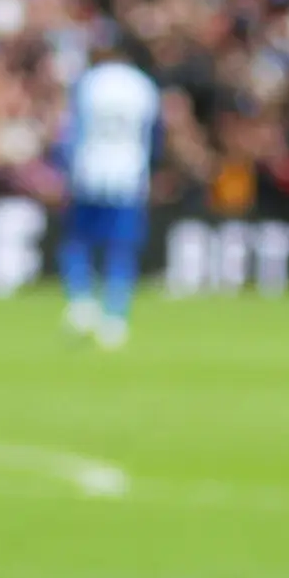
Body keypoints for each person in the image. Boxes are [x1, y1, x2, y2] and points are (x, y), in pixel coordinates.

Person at [61, 35, 161, 349]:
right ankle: (115, 319)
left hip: (89, 169)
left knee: (78, 240)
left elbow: (71, 130)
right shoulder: (143, 86)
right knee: (121, 248)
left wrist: (67, 166)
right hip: (128, 174)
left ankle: (81, 302)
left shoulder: (89, 82)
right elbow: (154, 135)